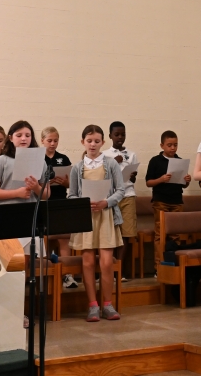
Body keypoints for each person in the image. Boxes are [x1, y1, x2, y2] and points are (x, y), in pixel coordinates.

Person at [67, 125, 125, 322]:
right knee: (88, 261)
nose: (93, 144)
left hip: (106, 216)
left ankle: (108, 304)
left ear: (103, 143)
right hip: (85, 218)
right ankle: (93, 305)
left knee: (107, 262)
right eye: (89, 141)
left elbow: (120, 190)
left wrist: (106, 202)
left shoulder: (111, 164)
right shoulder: (77, 167)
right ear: (82, 142)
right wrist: (83, 203)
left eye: (97, 141)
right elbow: (71, 194)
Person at [145, 131, 192, 272]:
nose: (173, 148)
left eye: (175, 145)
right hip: (161, 202)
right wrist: (161, 179)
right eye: (169, 145)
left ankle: (173, 264)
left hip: (177, 201)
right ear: (162, 145)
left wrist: (187, 181)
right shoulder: (155, 161)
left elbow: (183, 185)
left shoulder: (180, 161)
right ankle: (159, 266)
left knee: (176, 235)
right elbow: (148, 182)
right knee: (161, 234)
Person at [0, 120, 51, 202]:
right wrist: (16, 193)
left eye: (27, 135)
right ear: (11, 138)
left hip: (32, 211)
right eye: (19, 135)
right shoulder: (2, 160)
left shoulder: (40, 161)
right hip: (7, 211)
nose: (23, 139)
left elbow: (46, 195)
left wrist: (36, 187)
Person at [41, 127, 75, 286]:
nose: (53, 143)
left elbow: (71, 183)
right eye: (49, 140)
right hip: (44, 202)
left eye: (55, 141)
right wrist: (44, 184)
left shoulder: (63, 158)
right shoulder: (38, 158)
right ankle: (47, 273)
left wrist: (65, 182)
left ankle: (67, 275)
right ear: (42, 141)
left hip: (60, 201)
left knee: (64, 238)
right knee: (45, 239)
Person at [104, 121, 138, 282]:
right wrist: (114, 163)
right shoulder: (105, 155)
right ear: (110, 135)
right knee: (110, 233)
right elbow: (102, 177)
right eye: (117, 134)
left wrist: (132, 176)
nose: (120, 137)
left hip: (128, 194)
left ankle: (120, 270)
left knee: (126, 233)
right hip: (111, 197)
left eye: (123, 134)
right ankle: (108, 268)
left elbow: (134, 177)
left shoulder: (131, 154)